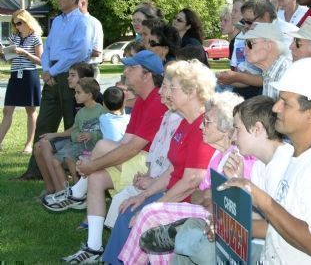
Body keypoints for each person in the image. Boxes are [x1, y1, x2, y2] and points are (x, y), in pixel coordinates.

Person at [219, 57, 311, 264]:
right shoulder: (291, 156)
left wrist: (262, 199)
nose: (275, 108)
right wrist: (226, 225)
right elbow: (280, 226)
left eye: (286, 103)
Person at [44, 50, 166, 262]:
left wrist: (92, 164)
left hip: (151, 168)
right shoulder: (143, 101)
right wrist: (94, 166)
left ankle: (75, 193)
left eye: (131, 68)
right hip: (139, 161)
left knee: (100, 148)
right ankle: (93, 247)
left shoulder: (156, 100)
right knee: (97, 177)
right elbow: (124, 143)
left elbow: (132, 148)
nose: (125, 71)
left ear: (147, 75)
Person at [101, 60, 217, 264]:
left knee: (141, 217)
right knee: (129, 208)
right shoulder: (185, 122)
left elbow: (191, 180)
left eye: (173, 87)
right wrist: (145, 195)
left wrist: (155, 205)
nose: (168, 93)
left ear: (191, 92)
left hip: (189, 201)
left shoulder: (203, 126)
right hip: (173, 194)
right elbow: (173, 169)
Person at [117, 91, 246, 264]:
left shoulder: (234, 158)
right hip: (205, 213)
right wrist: (207, 196)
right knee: (154, 222)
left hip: (219, 223)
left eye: (207, 122)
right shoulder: (217, 156)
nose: (201, 127)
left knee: (150, 214)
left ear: (225, 129)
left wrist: (208, 196)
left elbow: (223, 201)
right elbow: (199, 196)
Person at [15, 0, 92, 181]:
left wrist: (55, 71)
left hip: (70, 76)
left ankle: (73, 171)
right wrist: (47, 70)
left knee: (72, 123)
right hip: (52, 75)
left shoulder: (82, 22)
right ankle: (36, 170)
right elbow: (48, 48)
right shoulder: (57, 21)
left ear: (73, 0)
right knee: (44, 123)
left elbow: (79, 52)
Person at [37, 78, 104, 196]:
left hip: (93, 147)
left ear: (89, 95)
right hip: (79, 145)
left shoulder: (101, 111)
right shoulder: (81, 113)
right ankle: (65, 192)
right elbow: (75, 130)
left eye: (78, 93)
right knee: (55, 160)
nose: (75, 95)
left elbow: (105, 132)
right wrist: (77, 136)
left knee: (68, 158)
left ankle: (78, 190)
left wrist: (91, 135)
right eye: (75, 92)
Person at [0, 9, 43, 154]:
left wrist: (24, 52)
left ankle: (28, 144)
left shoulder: (35, 37)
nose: (17, 26)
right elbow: (9, 58)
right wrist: (4, 52)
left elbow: (41, 61)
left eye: (19, 23)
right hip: (15, 75)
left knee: (30, 110)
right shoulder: (14, 36)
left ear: (27, 21)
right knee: (7, 110)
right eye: (15, 23)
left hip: (29, 75)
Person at [243, 22, 291, 99]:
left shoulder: (286, 74)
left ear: (269, 46)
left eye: (250, 43)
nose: (245, 50)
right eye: (245, 44)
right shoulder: (269, 72)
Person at [79, 0, 103, 80]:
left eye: (75, 3)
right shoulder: (69, 23)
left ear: (83, 3)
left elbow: (97, 51)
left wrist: (75, 53)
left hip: (89, 69)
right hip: (72, 69)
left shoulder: (94, 23)